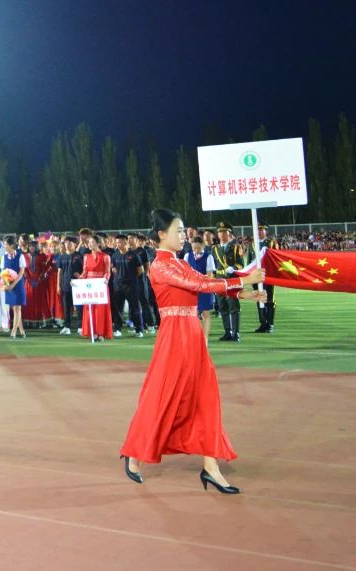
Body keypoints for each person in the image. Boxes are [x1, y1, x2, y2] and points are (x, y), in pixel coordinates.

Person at [120, 209, 266, 494]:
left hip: (192, 334)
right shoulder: (161, 266)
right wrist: (243, 280)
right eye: (178, 229)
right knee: (162, 399)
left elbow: (203, 283)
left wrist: (241, 293)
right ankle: (134, 454)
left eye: (184, 229)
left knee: (205, 398)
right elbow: (198, 285)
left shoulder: (179, 262)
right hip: (174, 337)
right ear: (161, 234)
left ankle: (211, 468)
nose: (183, 234)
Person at [78, 233, 112, 341]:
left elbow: (107, 272)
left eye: (92, 242)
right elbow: (84, 272)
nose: (89, 244)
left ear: (98, 243)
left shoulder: (105, 256)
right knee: (90, 308)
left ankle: (101, 333)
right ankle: (92, 332)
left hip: (100, 286)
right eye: (89, 242)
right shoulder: (86, 257)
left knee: (100, 310)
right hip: (89, 286)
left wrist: (105, 281)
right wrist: (78, 281)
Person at [185, 236, 216, 337]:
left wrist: (200, 281)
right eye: (194, 248)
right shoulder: (187, 256)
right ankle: (195, 335)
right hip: (192, 289)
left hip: (205, 289)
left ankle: (205, 337)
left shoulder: (209, 257)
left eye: (198, 248)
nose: (196, 250)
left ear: (203, 246)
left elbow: (210, 275)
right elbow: (185, 273)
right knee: (193, 313)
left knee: (205, 313)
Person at [1, 236, 27, 339]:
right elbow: (3, 272)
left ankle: (13, 331)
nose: (5, 246)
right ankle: (22, 330)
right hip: (8, 284)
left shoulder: (20, 256)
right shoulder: (4, 257)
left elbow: (21, 272)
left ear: (12, 245)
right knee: (14, 308)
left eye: (6, 244)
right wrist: (6, 284)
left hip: (18, 284)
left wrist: (13, 284)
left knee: (17, 307)